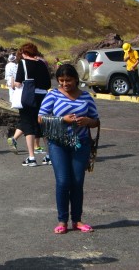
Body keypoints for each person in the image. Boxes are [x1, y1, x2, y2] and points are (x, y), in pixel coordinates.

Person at [38, 63, 100, 234]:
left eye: (69, 80)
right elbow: (41, 118)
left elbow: (96, 120)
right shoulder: (53, 95)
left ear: (76, 79)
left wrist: (88, 121)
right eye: (62, 80)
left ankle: (77, 220)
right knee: (63, 181)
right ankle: (62, 220)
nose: (65, 84)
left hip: (81, 144)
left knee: (77, 182)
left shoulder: (86, 97)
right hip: (58, 144)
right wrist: (62, 120)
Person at [14, 42, 52, 166]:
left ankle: (31, 157)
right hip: (43, 97)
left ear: (24, 53)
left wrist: (14, 84)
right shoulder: (42, 63)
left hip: (29, 97)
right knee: (44, 125)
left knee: (28, 125)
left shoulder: (23, 63)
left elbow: (18, 82)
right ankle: (49, 156)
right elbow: (48, 84)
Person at [4, 53, 25, 152]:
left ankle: (12, 102)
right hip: (13, 80)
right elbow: (14, 74)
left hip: (9, 79)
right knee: (14, 92)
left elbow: (7, 74)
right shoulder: (16, 65)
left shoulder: (7, 65)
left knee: (11, 92)